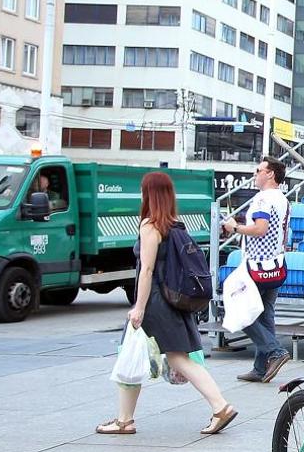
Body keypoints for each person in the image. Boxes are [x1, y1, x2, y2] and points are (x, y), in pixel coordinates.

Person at [98, 171, 236, 436]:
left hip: (155, 303)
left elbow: (147, 270)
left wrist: (138, 307)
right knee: (168, 356)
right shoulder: (175, 225)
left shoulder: (151, 225)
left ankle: (220, 406)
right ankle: (125, 419)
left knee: (161, 356)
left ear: (149, 194)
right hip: (172, 300)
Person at [222, 156, 292, 384]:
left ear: (270, 174)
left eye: (259, 170)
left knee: (240, 310)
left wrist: (236, 227)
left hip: (258, 265)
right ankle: (261, 368)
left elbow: (260, 229)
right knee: (265, 315)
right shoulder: (282, 199)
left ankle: (274, 351)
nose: (255, 174)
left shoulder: (263, 199)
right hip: (277, 265)